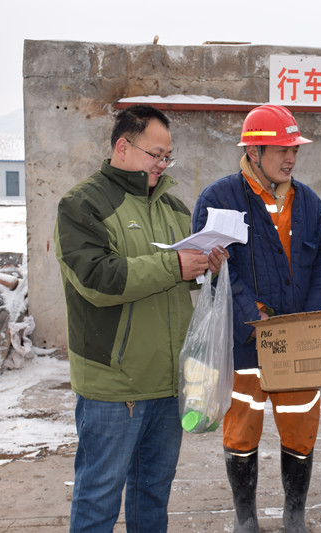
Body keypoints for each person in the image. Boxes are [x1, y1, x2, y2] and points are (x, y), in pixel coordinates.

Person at [54, 104, 227, 533]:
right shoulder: (82, 205)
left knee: (153, 495)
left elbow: (183, 281)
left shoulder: (173, 207)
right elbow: (97, 279)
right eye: (155, 154)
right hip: (115, 385)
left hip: (168, 383)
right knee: (99, 496)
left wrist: (207, 267)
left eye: (168, 156)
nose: (162, 164)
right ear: (122, 147)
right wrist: (173, 266)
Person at [192, 104, 321, 533]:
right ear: (253, 151)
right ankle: (246, 518)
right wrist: (252, 314)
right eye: (281, 150)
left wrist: (313, 316)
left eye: (294, 149)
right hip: (244, 343)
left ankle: (294, 514)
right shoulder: (219, 199)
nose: (291, 158)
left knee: (300, 426)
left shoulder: (307, 201)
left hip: (297, 343)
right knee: (241, 430)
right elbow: (215, 265)